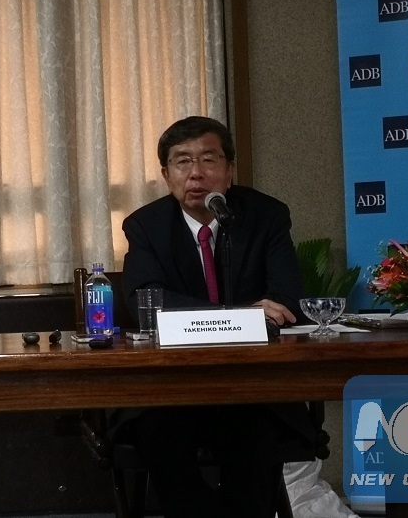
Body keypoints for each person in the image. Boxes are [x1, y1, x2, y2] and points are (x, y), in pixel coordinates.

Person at [119, 115, 315, 517]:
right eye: (182, 161)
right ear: (166, 175)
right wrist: (236, 315)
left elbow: (288, 299)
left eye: (209, 159)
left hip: (252, 385)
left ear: (229, 171)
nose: (196, 173)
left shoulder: (265, 217)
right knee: (160, 436)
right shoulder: (146, 226)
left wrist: (240, 316)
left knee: (257, 436)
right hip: (174, 387)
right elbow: (145, 302)